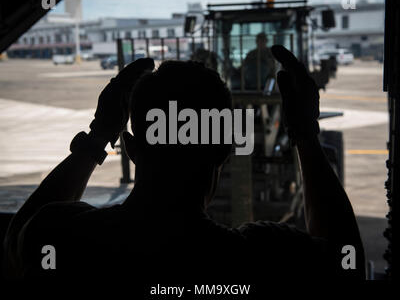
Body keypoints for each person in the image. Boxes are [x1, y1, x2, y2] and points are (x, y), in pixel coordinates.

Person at [3, 46, 365, 282]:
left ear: (129, 148)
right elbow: (348, 260)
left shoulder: (65, 239)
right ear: (224, 150)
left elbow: (19, 236)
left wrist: (97, 139)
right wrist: (305, 132)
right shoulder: (259, 258)